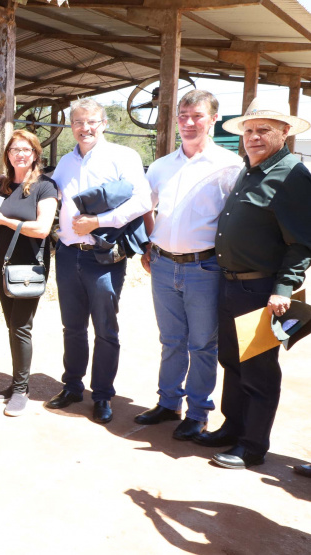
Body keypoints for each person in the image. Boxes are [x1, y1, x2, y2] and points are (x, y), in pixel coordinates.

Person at [193, 98, 311, 469]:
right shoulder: (250, 169)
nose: (254, 137)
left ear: (284, 133)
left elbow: (302, 242)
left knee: (258, 369)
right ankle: (233, 426)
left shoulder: (292, 176)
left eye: (264, 130)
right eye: (249, 130)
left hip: (261, 290)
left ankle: (253, 445)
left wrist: (283, 287)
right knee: (232, 360)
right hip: (231, 284)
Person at [134, 91, 242, 440]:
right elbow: (142, 207)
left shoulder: (229, 166)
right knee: (171, 340)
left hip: (205, 269)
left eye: (197, 116)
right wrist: (149, 242)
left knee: (202, 344)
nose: (189, 122)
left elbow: (237, 221)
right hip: (163, 266)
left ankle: (197, 412)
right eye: (183, 115)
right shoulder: (163, 165)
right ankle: (168, 403)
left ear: (213, 120)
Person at [46, 98, 151, 425]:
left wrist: (100, 221)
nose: (84, 128)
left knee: (105, 329)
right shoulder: (65, 162)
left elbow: (143, 199)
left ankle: (103, 394)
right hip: (67, 255)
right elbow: (48, 192)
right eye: (78, 122)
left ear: (103, 123)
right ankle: (73, 386)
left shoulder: (123, 156)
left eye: (91, 121)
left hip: (102, 256)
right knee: (72, 327)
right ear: (71, 126)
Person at [0, 130, 58, 416]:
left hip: (29, 265)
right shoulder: (1, 186)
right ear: (7, 154)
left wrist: (4, 219)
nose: (20, 154)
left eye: (26, 150)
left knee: (21, 326)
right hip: (4, 265)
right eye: (15, 149)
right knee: (12, 326)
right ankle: (17, 382)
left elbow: (42, 228)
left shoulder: (45, 186)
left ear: (35, 154)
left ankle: (20, 390)